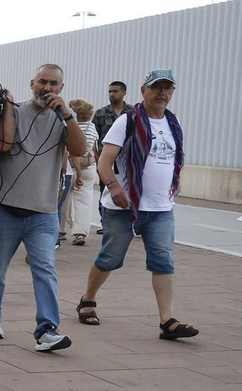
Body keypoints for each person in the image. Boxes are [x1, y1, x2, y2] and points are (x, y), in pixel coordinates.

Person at [77, 69, 196, 340]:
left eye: (167, 88)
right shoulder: (127, 121)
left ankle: (167, 321)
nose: (162, 93)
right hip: (123, 207)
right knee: (110, 258)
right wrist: (114, 187)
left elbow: (173, 160)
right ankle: (88, 299)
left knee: (163, 261)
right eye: (157, 87)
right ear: (144, 91)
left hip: (161, 208)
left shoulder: (173, 122)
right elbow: (104, 162)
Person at [0, 64, 86, 350]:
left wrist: (66, 114)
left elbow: (79, 150)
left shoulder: (63, 118)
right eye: (42, 81)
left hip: (43, 211)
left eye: (53, 83)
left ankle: (47, 329)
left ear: (61, 88)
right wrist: (8, 108)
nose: (47, 88)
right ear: (32, 83)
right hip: (3, 206)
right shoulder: (15, 109)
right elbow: (3, 145)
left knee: (45, 270)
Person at [59, 99, 101, 246]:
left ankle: (61, 230)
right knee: (84, 201)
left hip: (71, 166)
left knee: (63, 200)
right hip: (88, 167)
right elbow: (95, 149)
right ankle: (80, 233)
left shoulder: (70, 127)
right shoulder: (92, 128)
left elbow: (71, 150)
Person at [93, 80, 133, 146]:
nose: (111, 94)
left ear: (124, 93)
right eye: (110, 92)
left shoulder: (133, 112)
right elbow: (94, 137)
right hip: (105, 151)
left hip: (127, 151)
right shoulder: (100, 113)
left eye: (115, 91)